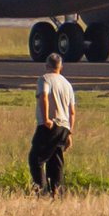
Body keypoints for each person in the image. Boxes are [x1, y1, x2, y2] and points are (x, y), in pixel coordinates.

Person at [28, 52, 75, 196]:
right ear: (60, 67)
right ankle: (54, 190)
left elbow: (43, 96)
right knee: (56, 159)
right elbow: (72, 111)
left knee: (36, 158)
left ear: (46, 65)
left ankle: (40, 188)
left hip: (50, 124)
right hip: (64, 126)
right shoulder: (67, 84)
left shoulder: (44, 79)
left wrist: (46, 119)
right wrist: (69, 132)